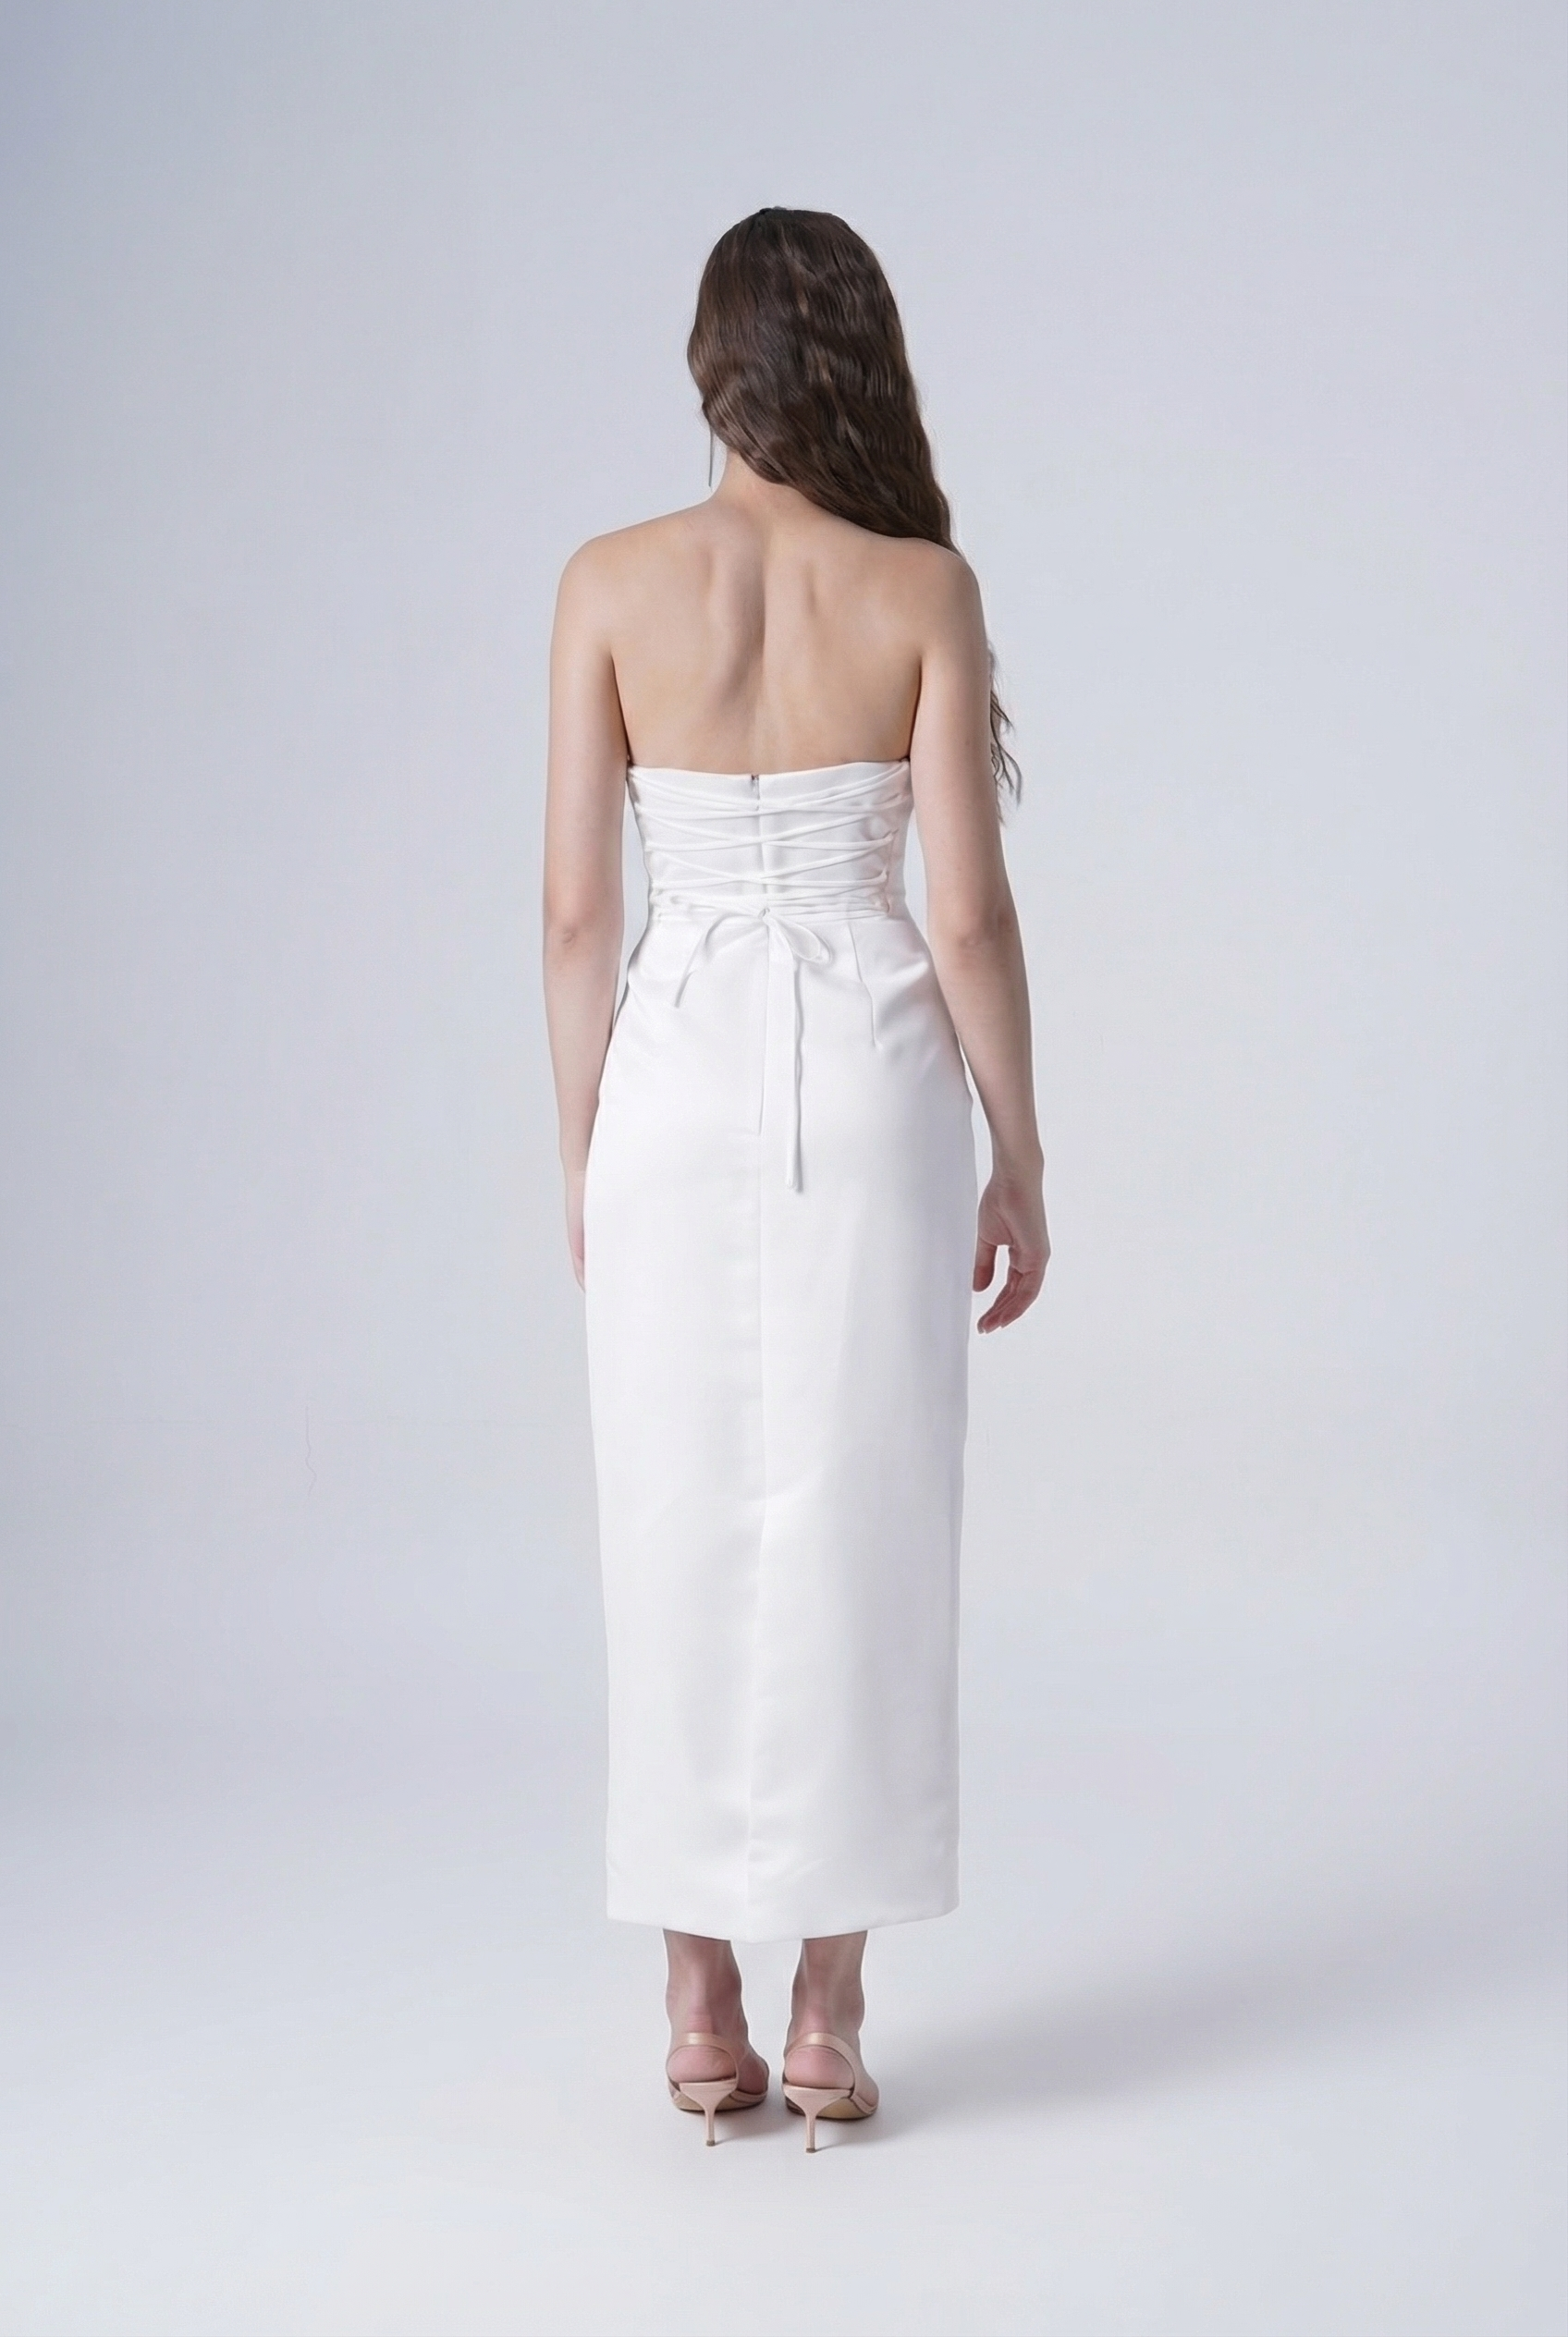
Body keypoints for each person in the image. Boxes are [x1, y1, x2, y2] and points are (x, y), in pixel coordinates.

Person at [543, 208, 1048, 2152]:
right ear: (853, 365)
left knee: (666, 1513)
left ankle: (694, 1992)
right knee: (864, 1516)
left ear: (706, 369)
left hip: (666, 1086)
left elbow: (580, 906)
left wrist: (582, 1145)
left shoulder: (604, 581)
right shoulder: (921, 586)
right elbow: (970, 917)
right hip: (870, 1069)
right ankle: (827, 2010)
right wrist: (1024, 1147)